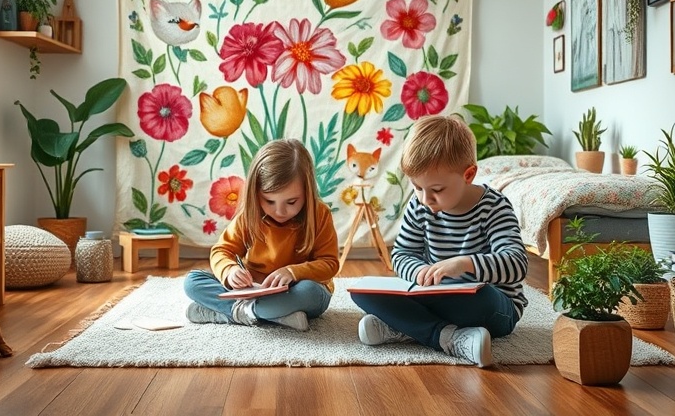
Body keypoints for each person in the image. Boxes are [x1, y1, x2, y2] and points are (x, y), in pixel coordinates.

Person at [350, 115, 528, 367]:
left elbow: (517, 264)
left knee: (480, 297)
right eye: (417, 187)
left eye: (437, 190)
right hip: (435, 296)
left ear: (468, 175)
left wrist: (465, 264)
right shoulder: (419, 205)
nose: (425, 199)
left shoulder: (494, 207)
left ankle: (407, 327)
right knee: (362, 294)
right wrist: (419, 271)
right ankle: (447, 336)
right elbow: (401, 255)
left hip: (490, 306)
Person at [183, 138, 340, 331]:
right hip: (253, 291)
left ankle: (231, 313)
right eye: (269, 201)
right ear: (256, 193)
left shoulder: (319, 214)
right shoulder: (250, 214)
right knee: (192, 282)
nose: (280, 211)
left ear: (307, 192)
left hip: (295, 292)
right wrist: (230, 271)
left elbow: (330, 264)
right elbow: (222, 251)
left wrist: (292, 272)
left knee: (310, 292)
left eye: (291, 202)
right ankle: (272, 316)